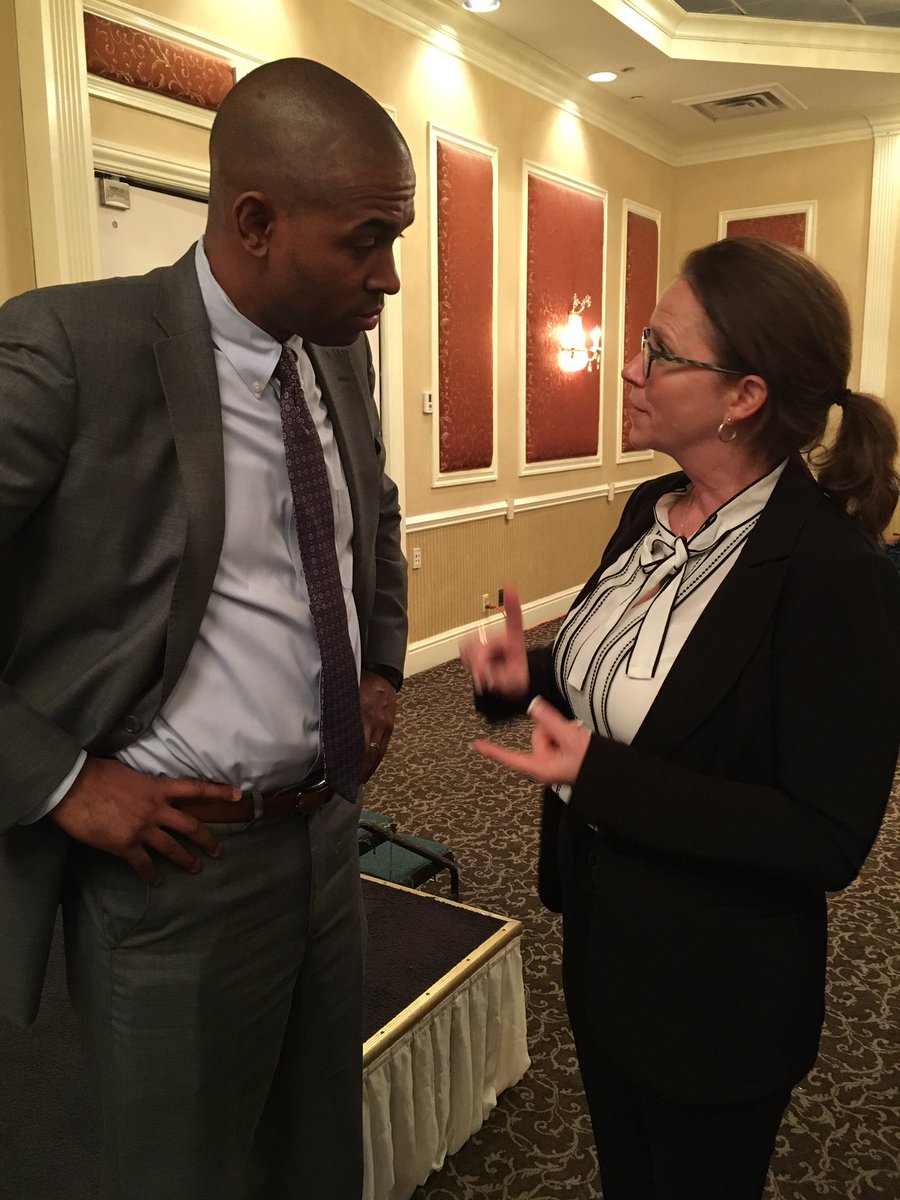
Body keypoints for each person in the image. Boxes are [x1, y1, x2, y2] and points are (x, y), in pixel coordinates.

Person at [0, 58, 413, 1200]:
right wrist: (60, 779)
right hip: (176, 869)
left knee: (317, 1157)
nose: (389, 277)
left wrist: (381, 668)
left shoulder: (339, 351)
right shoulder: (68, 349)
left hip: (325, 840)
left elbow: (372, 512)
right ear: (256, 222)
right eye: (367, 241)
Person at [462, 237, 900, 1200]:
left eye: (659, 350)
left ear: (744, 395)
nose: (629, 367)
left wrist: (594, 775)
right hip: (602, 945)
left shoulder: (835, 576)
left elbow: (826, 835)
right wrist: (519, 679)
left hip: (717, 995)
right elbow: (631, 682)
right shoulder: (648, 511)